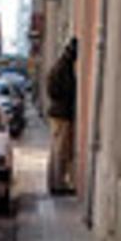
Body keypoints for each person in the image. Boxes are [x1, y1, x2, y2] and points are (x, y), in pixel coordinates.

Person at [46, 37, 77, 195]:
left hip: (57, 112)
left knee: (56, 149)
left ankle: (54, 182)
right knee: (60, 150)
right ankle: (58, 185)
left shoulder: (59, 66)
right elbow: (66, 91)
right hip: (62, 114)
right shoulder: (65, 68)